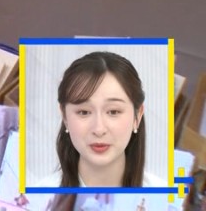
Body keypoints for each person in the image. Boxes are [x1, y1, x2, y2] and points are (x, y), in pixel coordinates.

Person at [28, 51, 163, 190]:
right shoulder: (36, 198)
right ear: (65, 116)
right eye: (84, 112)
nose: (99, 129)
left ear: (137, 116)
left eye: (113, 112)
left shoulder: (166, 196)